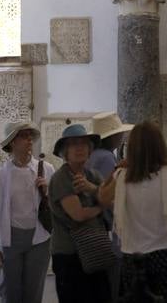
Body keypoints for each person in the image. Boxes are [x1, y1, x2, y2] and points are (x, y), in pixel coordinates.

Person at [98, 120, 167, 303]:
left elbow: (103, 198)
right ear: (160, 145)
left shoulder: (122, 177)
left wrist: (116, 168)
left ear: (132, 147)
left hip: (132, 254)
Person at [0, 120, 54, 303]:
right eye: (23, 136)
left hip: (40, 238)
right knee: (11, 291)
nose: (29, 140)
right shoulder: (1, 175)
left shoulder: (46, 169)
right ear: (12, 143)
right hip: (12, 239)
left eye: (30, 136)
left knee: (34, 291)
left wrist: (48, 190)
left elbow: (58, 204)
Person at [48, 123, 113, 303]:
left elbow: (112, 202)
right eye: (74, 144)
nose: (80, 148)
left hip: (96, 250)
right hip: (70, 255)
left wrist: (92, 189)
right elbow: (79, 214)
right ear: (65, 151)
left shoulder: (93, 175)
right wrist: (101, 207)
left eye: (84, 144)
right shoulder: (61, 178)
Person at [87, 112, 133, 302]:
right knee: (113, 287)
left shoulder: (95, 155)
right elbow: (110, 195)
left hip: (97, 227)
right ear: (112, 136)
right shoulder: (106, 158)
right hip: (108, 230)